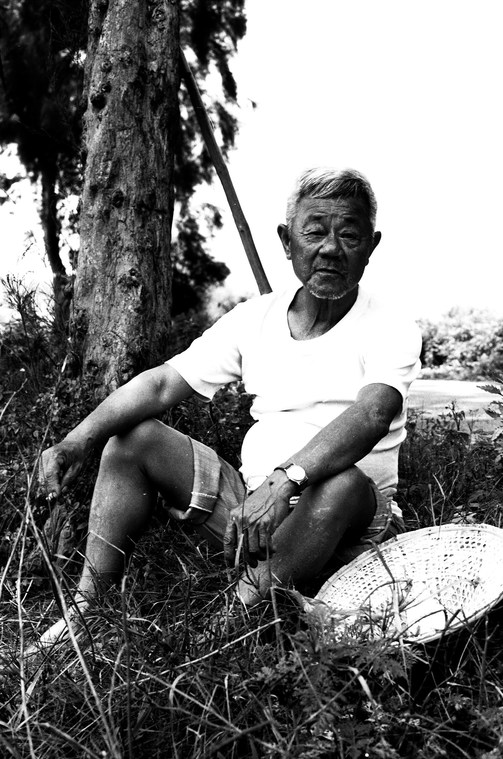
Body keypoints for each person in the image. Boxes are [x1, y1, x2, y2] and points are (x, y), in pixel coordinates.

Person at [36, 167, 421, 647]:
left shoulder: (390, 324)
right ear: (286, 241)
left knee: (340, 483)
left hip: (348, 522)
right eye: (315, 232)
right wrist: (76, 442)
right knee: (132, 440)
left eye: (349, 234)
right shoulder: (255, 317)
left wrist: (286, 480)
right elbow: (161, 385)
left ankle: (222, 632)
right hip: (252, 511)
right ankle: (85, 614)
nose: (330, 248)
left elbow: (372, 414)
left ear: (371, 246)